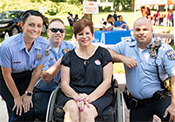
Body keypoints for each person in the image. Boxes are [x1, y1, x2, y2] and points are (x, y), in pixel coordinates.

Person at [108, 17, 175, 122]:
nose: (141, 33)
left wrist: (174, 105)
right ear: (133, 32)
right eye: (138, 30)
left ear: (151, 31)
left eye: (145, 29)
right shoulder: (126, 45)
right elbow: (106, 53)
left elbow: (174, 76)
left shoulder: (163, 49)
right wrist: (122, 58)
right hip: (138, 103)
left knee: (172, 117)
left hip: (161, 99)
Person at [56, 18, 113, 122]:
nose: (84, 37)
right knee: (72, 109)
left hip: (99, 94)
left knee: (86, 111)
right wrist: (77, 97)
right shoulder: (68, 56)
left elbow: (107, 82)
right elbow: (64, 84)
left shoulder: (103, 54)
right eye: (80, 34)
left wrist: (89, 98)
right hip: (72, 94)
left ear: (92, 35)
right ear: (75, 37)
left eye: (87, 33)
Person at [0, 10, 50, 122]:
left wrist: (28, 93)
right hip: (5, 78)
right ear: (22, 25)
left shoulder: (44, 44)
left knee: (30, 112)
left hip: (25, 77)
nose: (35, 29)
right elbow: (6, 75)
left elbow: (37, 71)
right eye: (31, 25)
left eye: (39, 26)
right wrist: (17, 98)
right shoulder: (7, 46)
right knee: (18, 111)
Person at [34, 18, 76, 121]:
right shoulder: (39, 49)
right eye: (54, 30)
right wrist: (64, 59)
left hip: (65, 90)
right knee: (43, 113)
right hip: (44, 89)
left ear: (64, 33)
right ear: (48, 32)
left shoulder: (71, 46)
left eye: (61, 30)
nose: (58, 33)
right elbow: (46, 77)